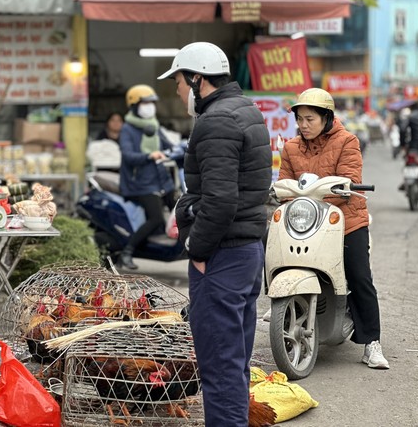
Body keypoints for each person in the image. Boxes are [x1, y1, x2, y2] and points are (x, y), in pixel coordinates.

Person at [157, 42, 272, 426]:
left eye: (177, 80)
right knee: (234, 361)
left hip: (223, 255)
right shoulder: (246, 110)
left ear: (197, 79)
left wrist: (196, 246)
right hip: (247, 250)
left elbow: (220, 200)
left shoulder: (216, 120)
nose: (176, 89)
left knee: (219, 364)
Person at [278, 87, 389, 370]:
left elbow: (349, 182)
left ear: (326, 118)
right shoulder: (290, 147)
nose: (303, 125)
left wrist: (315, 193)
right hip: (306, 219)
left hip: (346, 220)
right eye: (300, 119)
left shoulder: (347, 141)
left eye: (309, 119)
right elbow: (284, 184)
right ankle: (282, 303)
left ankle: (372, 343)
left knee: (359, 276)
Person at [117, 84, 177, 270]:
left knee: (181, 211)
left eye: (152, 102)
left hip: (161, 180)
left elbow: (169, 146)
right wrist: (149, 155)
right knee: (157, 219)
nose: (150, 106)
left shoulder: (154, 125)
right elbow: (128, 155)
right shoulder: (128, 129)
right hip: (139, 184)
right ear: (135, 105)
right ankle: (126, 252)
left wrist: (182, 149)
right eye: (145, 102)